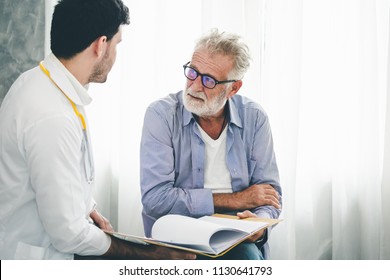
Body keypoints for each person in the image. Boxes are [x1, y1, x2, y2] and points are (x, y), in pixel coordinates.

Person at [0, 0, 195, 260]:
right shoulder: (52, 117)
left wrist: (88, 207)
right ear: (101, 45)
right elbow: (68, 233)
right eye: (117, 44)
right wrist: (146, 254)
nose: (115, 54)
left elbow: (59, 177)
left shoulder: (39, 81)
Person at [140, 29, 282, 260]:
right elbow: (156, 199)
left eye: (209, 80)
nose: (195, 86)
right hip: (179, 236)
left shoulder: (254, 118)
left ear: (233, 88)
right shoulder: (161, 115)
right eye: (192, 72)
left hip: (236, 235)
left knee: (246, 257)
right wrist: (237, 199)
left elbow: (269, 195)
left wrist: (259, 225)